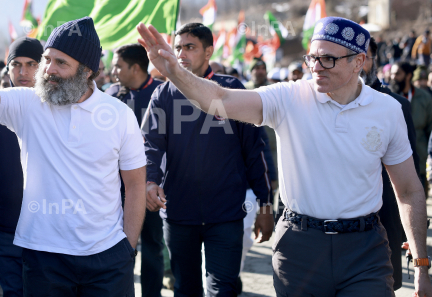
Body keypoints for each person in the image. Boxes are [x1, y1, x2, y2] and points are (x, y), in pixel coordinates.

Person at [137, 16, 432, 296]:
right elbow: (221, 100)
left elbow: (408, 189)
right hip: (300, 247)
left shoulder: (387, 110)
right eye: (312, 58)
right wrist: (174, 71)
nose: (317, 67)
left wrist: (421, 264)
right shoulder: (289, 97)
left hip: (364, 249)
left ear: (359, 62)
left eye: (328, 59)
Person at [0, 3, 146, 297]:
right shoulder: (28, 103)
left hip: (107, 258)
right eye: (47, 59)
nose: (48, 69)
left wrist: (128, 248)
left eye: (61, 63)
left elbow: (135, 185)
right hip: (42, 257)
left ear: (86, 72)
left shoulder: (119, 115)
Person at [142, 22, 274, 296]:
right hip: (178, 214)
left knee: (223, 289)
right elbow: (150, 145)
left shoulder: (232, 89)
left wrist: (264, 205)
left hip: (226, 214)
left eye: (190, 47)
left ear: (209, 51)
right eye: (178, 47)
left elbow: (254, 151)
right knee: (185, 289)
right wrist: (150, 181)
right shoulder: (163, 94)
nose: (182, 54)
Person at [0, 37, 43, 297]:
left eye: (31, 64)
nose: (23, 72)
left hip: (47, 228)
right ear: (7, 69)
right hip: (3, 227)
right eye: (16, 64)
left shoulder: (60, 109)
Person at [105, 43, 164, 297]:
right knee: (117, 247)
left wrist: (154, 182)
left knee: (152, 247)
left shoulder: (161, 95)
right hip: (115, 190)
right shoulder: (110, 96)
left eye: (118, 65)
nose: (113, 71)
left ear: (135, 67)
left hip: (149, 188)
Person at [362, 37, 420, 290]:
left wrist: (414, 231)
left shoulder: (396, 106)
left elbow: (411, 178)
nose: (357, 64)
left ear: (375, 60)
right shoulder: (318, 106)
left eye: (363, 57)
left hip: (384, 220)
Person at [390, 61, 432, 192]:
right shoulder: (386, 98)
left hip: (419, 159)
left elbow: (430, 128)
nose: (392, 77)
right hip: (392, 161)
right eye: (391, 74)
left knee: (419, 200)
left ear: (408, 76)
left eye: (397, 74)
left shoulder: (424, 97)